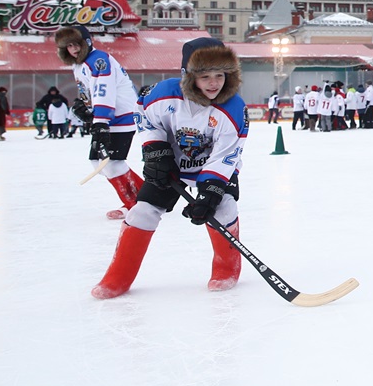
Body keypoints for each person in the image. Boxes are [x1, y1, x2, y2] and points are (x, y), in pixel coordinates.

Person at [91, 37, 249, 299]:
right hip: (172, 166)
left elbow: (226, 155)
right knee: (142, 211)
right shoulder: (162, 94)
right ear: (188, 76)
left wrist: (209, 192)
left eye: (220, 75)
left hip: (211, 167)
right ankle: (117, 277)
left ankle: (226, 269)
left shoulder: (233, 108)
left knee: (223, 207)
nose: (214, 83)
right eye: (205, 76)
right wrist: (156, 151)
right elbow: (144, 116)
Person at [55, 24, 144, 219]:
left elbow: (105, 91)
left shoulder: (98, 60)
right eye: (68, 46)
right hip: (109, 116)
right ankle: (146, 198)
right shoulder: (80, 64)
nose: (74, 49)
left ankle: (136, 204)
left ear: (85, 42)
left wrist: (100, 121)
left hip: (121, 115)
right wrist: (87, 108)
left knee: (111, 162)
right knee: (98, 161)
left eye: (76, 44)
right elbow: (92, 92)